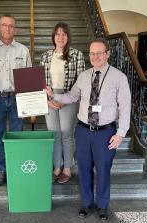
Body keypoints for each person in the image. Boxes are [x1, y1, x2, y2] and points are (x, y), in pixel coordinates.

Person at [45, 38, 131, 221]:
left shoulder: (119, 78)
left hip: (106, 133)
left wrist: (121, 133)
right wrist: (54, 95)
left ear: (107, 54)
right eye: (92, 53)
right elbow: (72, 96)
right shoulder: (84, 76)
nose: (95, 56)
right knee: (84, 169)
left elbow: (125, 107)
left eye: (99, 53)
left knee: (103, 170)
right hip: (83, 131)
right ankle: (86, 203)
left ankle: (102, 206)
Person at [0, 15, 32, 186]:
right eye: (4, 25)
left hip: (18, 98)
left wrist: (29, 104)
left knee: (18, 135)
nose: (8, 28)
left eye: (11, 26)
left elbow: (28, 78)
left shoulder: (23, 50)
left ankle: (16, 168)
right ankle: (2, 170)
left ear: (15, 29)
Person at [39, 22, 85, 184]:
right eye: (57, 34)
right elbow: (40, 82)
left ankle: (67, 168)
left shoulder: (77, 54)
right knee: (54, 134)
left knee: (66, 134)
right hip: (50, 99)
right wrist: (48, 99)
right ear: (53, 37)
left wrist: (64, 101)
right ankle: (56, 167)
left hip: (69, 97)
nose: (60, 37)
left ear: (68, 37)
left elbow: (80, 82)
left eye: (64, 34)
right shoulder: (45, 56)